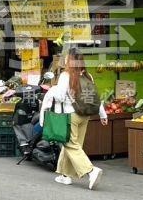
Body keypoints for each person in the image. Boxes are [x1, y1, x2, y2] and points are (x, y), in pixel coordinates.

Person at [39, 47, 108, 190]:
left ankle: (91, 171)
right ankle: (65, 175)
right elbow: (94, 98)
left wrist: (51, 90)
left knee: (71, 145)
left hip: (70, 115)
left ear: (69, 61)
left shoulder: (66, 76)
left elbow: (60, 96)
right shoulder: (88, 76)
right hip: (85, 116)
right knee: (73, 145)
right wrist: (102, 114)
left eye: (66, 57)